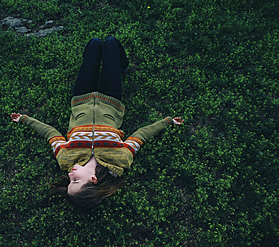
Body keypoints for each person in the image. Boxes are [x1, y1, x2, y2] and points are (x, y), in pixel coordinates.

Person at [10, 37, 184, 212]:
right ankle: (122, 65)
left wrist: (25, 119)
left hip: (81, 99)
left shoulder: (65, 159)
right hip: (111, 101)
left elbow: (50, 134)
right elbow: (140, 136)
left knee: (94, 44)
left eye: (69, 181)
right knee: (110, 43)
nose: (70, 175)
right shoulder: (121, 159)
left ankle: (103, 62)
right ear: (93, 179)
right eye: (75, 180)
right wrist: (167, 121)